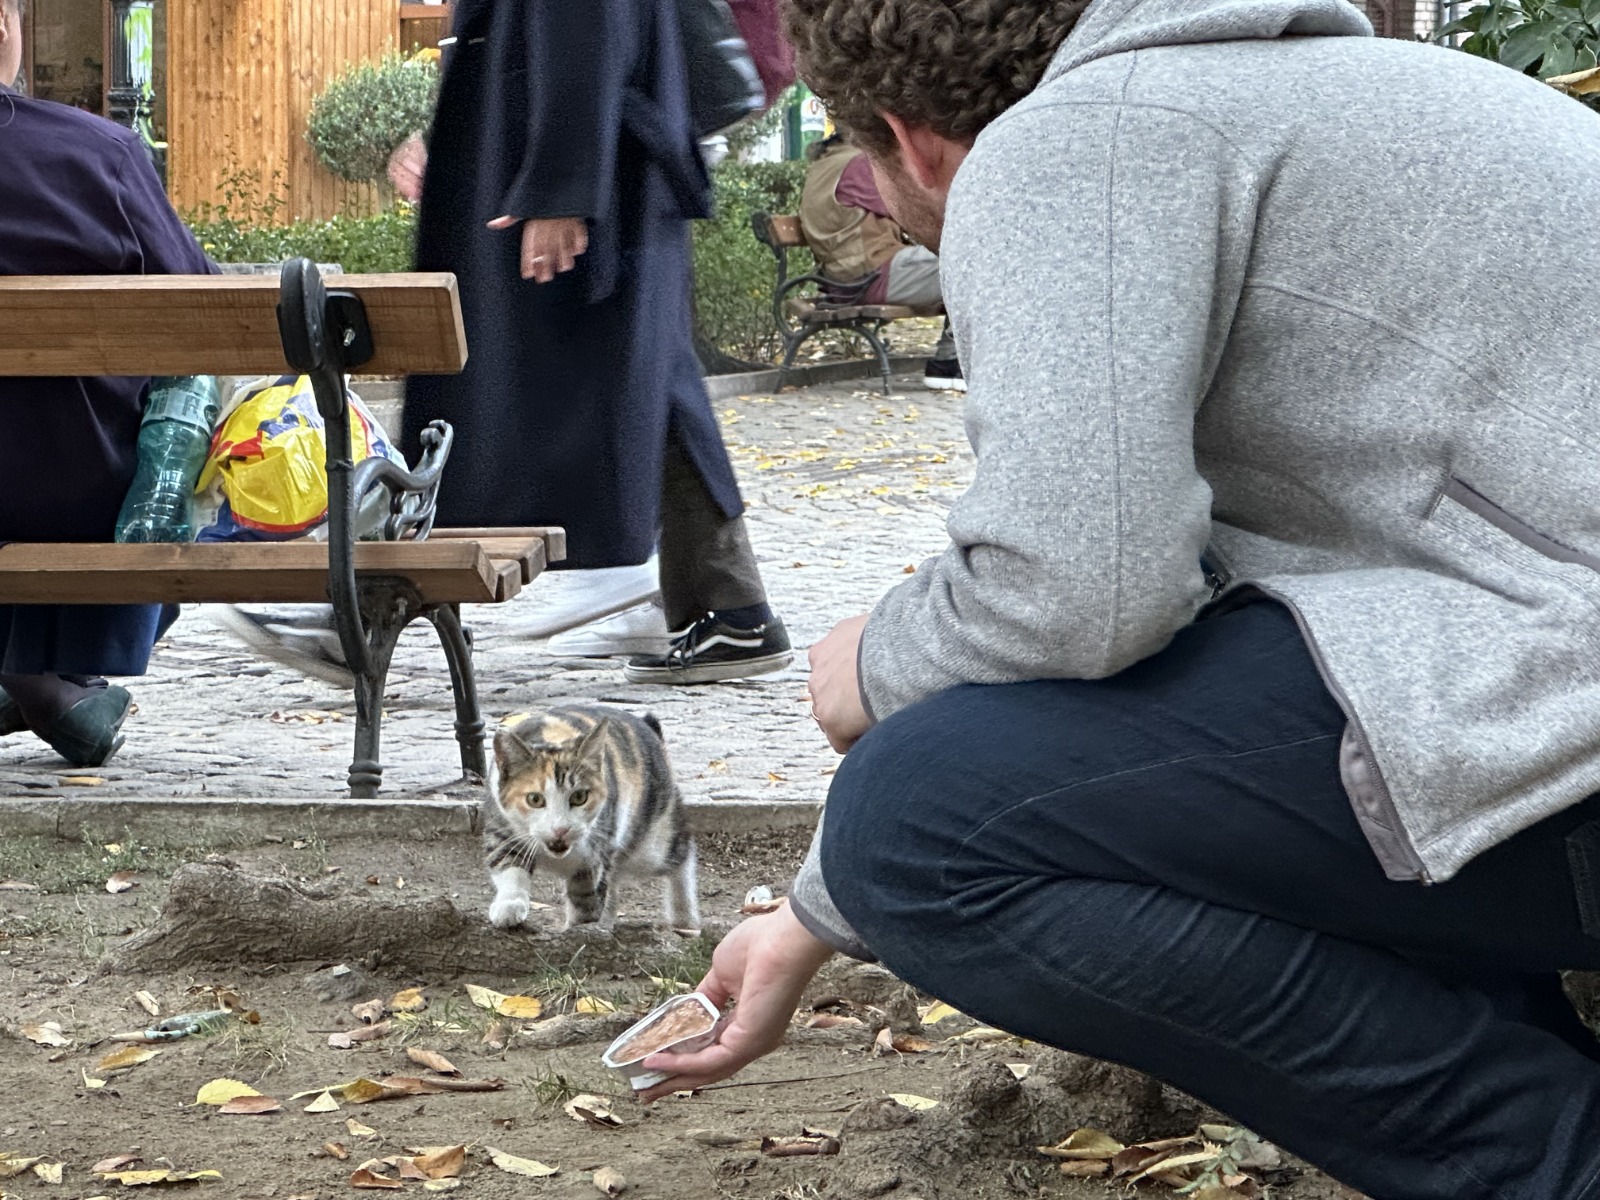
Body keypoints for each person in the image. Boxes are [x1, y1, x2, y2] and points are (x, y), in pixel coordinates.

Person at [637, 1, 1600, 1196]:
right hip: (1545, 715)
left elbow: (1080, 591)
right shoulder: (1356, 97)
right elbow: (1190, 658)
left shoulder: (1075, 140)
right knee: (1251, 755)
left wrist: (875, 666)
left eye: (873, 181)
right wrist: (814, 913)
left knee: (920, 822)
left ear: (911, 139)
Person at [387, 0, 792, 682]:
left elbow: (583, 19)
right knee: (649, 376)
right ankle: (729, 610)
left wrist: (561, 186)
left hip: (587, 162)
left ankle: (372, 598)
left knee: (590, 376)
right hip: (593, 152)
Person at [0, 0, 214, 766]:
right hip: (80, 497)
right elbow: (205, 312)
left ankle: (32, 679)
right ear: (1, 24)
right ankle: (45, 681)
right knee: (164, 444)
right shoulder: (99, 153)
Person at [800, 133, 962, 391]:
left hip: (847, 276)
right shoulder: (858, 164)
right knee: (967, 258)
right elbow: (918, 211)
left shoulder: (828, 162)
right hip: (870, 276)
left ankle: (949, 359)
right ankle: (949, 361)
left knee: (961, 256)